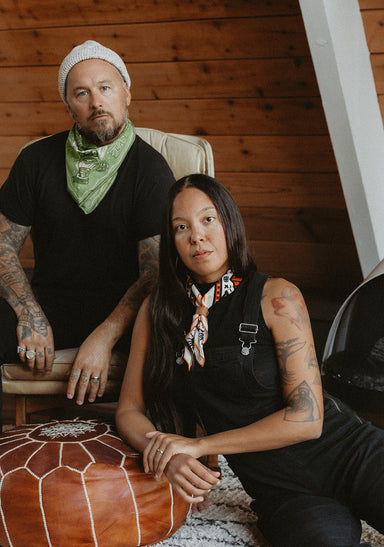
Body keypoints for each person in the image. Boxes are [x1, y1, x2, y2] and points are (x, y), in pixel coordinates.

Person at [116, 174, 384, 547]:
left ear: (230, 223)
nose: (197, 235)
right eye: (182, 227)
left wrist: (200, 447)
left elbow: (308, 419)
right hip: (287, 496)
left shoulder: (276, 296)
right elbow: (129, 409)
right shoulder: (158, 312)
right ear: (172, 241)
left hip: (353, 457)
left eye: (208, 219)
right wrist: (167, 452)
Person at [0, 40, 175, 411]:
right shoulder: (36, 160)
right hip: (49, 305)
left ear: (127, 93)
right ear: (70, 107)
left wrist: (104, 336)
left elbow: (154, 273)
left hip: (125, 315)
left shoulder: (151, 169)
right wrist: (30, 314)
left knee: (174, 327)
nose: (96, 101)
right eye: (82, 93)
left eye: (105, 88)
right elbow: (1, 245)